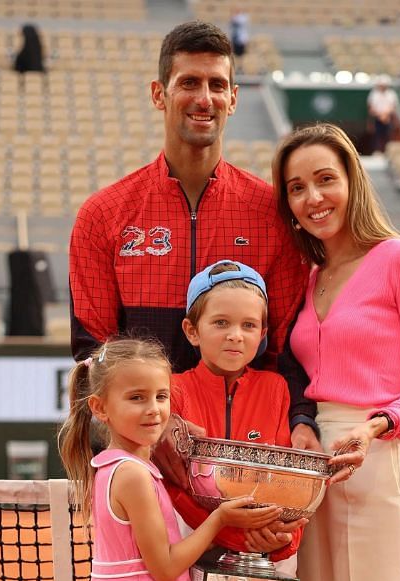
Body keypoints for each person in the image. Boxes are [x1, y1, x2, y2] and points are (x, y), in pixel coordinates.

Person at [68, 20, 308, 373]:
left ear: (233, 99)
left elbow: (284, 350)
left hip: (242, 427)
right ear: (158, 94)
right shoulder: (102, 214)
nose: (204, 98)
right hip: (142, 425)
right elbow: (95, 352)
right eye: (189, 83)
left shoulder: (271, 212)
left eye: (217, 85)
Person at [272, 123, 400, 581]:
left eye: (325, 179)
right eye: (297, 188)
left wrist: (376, 427)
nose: (313, 197)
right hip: (316, 470)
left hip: (380, 456)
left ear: (352, 181)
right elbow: (307, 379)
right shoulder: (310, 279)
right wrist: (304, 426)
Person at [57, 338, 282, 581]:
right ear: (100, 407)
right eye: (137, 398)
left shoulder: (115, 467)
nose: (154, 409)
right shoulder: (133, 475)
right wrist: (220, 519)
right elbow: (164, 569)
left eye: (161, 396)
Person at [157, 260, 322, 574]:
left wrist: (283, 540)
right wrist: (234, 535)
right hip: (189, 546)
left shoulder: (276, 388)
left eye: (248, 325)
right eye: (221, 323)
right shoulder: (171, 390)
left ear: (262, 333)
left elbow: (287, 483)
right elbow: (172, 486)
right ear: (192, 331)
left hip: (261, 551)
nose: (235, 335)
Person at [366, 74, 399, 155]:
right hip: (377, 118)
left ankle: (387, 152)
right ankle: (377, 151)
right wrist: (380, 115)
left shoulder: (392, 94)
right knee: (377, 136)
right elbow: (371, 108)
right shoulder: (374, 94)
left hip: (388, 118)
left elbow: (393, 107)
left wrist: (385, 115)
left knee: (388, 135)